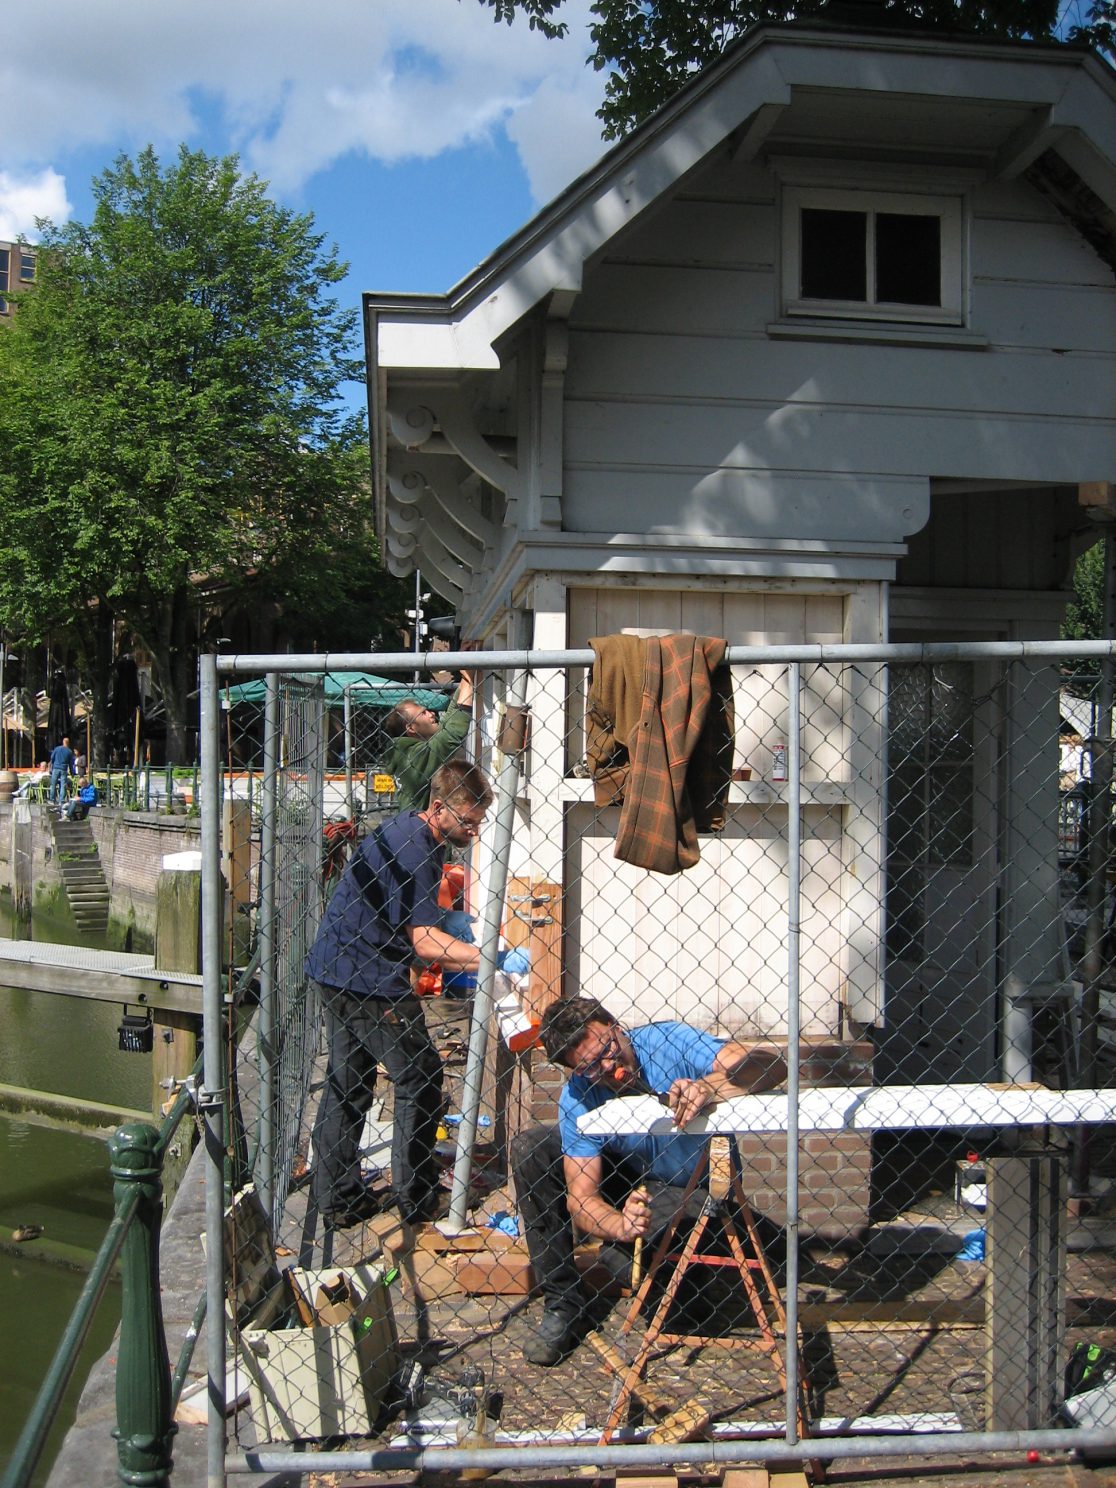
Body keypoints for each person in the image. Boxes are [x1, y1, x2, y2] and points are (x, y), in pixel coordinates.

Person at [510, 996, 789, 1366]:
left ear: (617, 1026)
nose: (610, 1067)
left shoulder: (668, 1039)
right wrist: (618, 1226)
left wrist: (710, 1087)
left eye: (609, 1049)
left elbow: (771, 1065)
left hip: (692, 1187)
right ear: (575, 1071)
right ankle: (563, 1304)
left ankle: (686, 1279)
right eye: (592, 1067)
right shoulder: (577, 1096)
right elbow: (581, 1199)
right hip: (630, 1179)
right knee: (532, 1149)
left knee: (650, 1278)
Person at [306, 757, 495, 1228]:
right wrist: (489, 958)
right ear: (439, 808)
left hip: (335, 966)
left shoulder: (406, 830)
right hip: (368, 979)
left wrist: (453, 931)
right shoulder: (420, 853)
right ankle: (417, 1196)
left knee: (347, 1083)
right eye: (468, 821)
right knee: (421, 1079)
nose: (474, 831)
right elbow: (423, 940)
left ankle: (338, 1199)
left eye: (479, 822)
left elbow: (410, 916)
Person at [381, 669, 476, 811]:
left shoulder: (405, 751)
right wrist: (469, 678)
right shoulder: (416, 757)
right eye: (423, 713)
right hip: (419, 829)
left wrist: (466, 674)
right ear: (411, 728)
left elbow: (449, 720)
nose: (432, 714)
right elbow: (453, 732)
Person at [48, 736, 75, 806]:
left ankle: (52, 800)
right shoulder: (69, 751)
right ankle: (61, 801)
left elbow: (52, 758)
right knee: (63, 785)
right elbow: (70, 764)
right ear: (68, 743)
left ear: (63, 742)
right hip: (64, 769)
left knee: (53, 784)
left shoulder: (57, 749)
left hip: (56, 768)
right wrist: (72, 773)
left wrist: (52, 765)